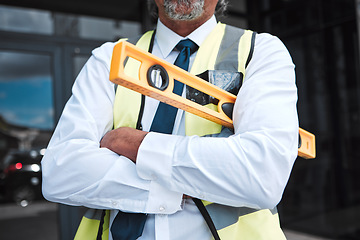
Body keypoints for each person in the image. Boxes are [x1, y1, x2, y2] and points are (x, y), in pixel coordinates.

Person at [41, 0, 299, 239]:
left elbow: (263, 175)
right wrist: (187, 183)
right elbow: (61, 172)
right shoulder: (109, 57)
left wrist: (137, 145)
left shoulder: (260, 51)